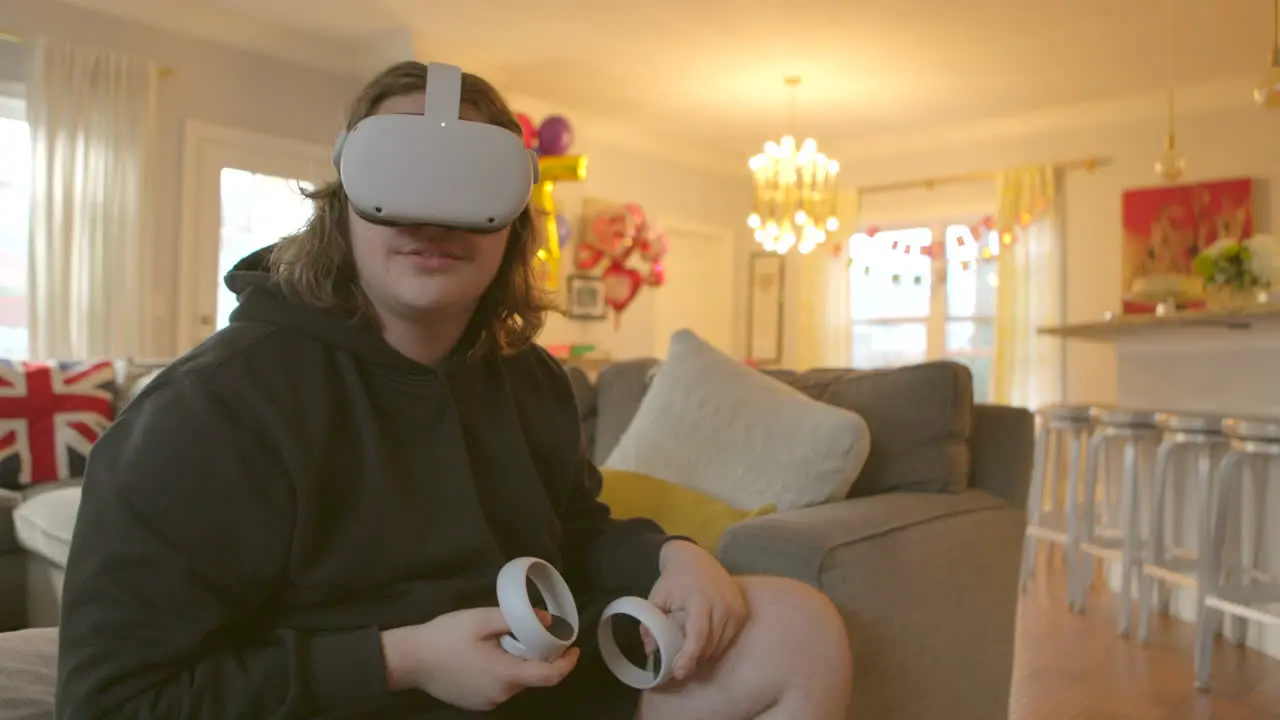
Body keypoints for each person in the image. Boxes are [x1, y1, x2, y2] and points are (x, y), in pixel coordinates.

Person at [54, 61, 852, 719]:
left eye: (467, 183)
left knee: (794, 625)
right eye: (398, 177)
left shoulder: (530, 381)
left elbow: (572, 530)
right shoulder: (211, 411)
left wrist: (670, 556)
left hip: (539, 689)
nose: (432, 217)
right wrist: (399, 661)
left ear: (512, 218)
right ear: (342, 205)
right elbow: (115, 698)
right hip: (347, 704)